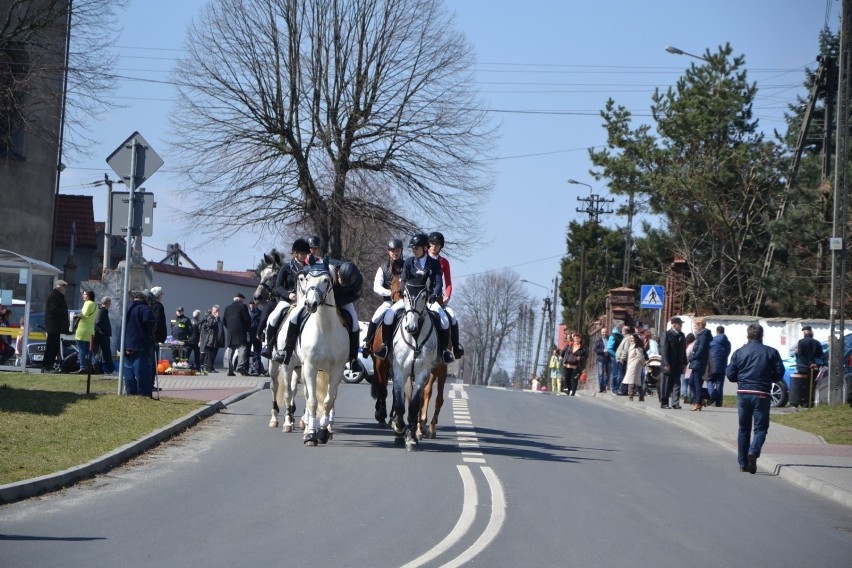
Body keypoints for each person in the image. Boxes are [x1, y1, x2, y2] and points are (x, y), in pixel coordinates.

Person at [374, 233, 453, 364]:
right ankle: (386, 346)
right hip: (410, 300)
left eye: (416, 248)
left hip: (429, 299)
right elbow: (403, 280)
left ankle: (444, 351)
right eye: (412, 249)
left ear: (424, 248)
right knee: (388, 316)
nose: (414, 251)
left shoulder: (434, 263)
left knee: (445, 320)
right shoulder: (409, 262)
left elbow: (439, 283)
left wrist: (434, 295)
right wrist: (405, 294)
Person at [274, 259, 363, 365]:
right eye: (340, 279)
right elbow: (306, 273)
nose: (341, 283)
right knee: (294, 316)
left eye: (345, 283)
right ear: (338, 272)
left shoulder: (358, 280)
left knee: (355, 325)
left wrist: (336, 302)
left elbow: (355, 295)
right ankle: (286, 352)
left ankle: (353, 359)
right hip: (317, 295)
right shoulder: (327, 267)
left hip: (342, 300)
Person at [726, 323, 784, 474]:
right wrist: (768, 378)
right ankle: (754, 450)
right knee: (761, 428)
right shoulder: (771, 352)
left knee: (743, 428)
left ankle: (743, 463)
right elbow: (779, 374)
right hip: (762, 394)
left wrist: (742, 377)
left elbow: (730, 374)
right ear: (761, 336)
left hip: (743, 393)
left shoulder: (739, 352)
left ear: (748, 335)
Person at [261, 238, 311, 359]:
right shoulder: (286, 267)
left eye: (305, 253)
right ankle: (269, 346)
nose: (304, 256)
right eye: (302, 253)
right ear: (295, 253)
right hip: (288, 301)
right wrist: (289, 295)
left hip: (305, 301)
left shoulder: (310, 267)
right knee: (273, 317)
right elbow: (278, 286)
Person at [361, 238, 404, 356]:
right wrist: (390, 292)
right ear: (388, 252)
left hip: (405, 302)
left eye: (397, 250)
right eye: (392, 250)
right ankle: (367, 343)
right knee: (375, 318)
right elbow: (376, 287)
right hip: (389, 302)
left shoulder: (408, 266)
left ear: (401, 251)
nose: (395, 253)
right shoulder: (383, 268)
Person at [426, 231, 464, 358]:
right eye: (432, 243)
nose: (434, 246)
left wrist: (447, 296)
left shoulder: (444, 262)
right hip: (420, 296)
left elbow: (448, 282)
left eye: (437, 244)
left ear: (441, 246)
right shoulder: (421, 258)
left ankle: (452, 348)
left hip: (437, 298)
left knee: (452, 317)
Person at [123, 290, 156, 396]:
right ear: (146, 299)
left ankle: (131, 392)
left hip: (125, 344)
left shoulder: (127, 307)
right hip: (139, 344)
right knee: (141, 371)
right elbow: (149, 323)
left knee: (128, 370)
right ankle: (144, 394)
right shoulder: (144, 308)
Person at [659, 316, 686, 409]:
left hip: (678, 364)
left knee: (677, 383)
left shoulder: (681, 335)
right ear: (674, 325)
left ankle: (675, 403)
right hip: (668, 364)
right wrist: (666, 363)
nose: (681, 326)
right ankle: (664, 402)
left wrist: (684, 363)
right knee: (666, 384)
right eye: (680, 324)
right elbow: (664, 350)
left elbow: (683, 351)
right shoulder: (666, 334)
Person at [43, 280, 69, 373]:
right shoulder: (53, 295)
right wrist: (64, 311)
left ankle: (49, 365)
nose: (65, 289)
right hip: (53, 326)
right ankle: (47, 366)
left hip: (57, 327)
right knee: (51, 347)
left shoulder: (58, 296)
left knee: (55, 347)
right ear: (59, 287)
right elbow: (54, 309)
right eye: (64, 287)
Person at [794, 325, 824, 408]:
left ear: (804, 333)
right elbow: (820, 355)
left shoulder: (801, 342)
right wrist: (815, 364)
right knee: (812, 385)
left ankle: (804, 402)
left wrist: (809, 363)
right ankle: (812, 401)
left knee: (804, 386)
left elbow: (801, 355)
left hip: (804, 367)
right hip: (814, 368)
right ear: (811, 333)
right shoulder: (817, 343)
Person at [223, 293, 251, 376]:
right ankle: (240, 366)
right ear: (241, 299)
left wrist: (230, 328)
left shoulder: (227, 308)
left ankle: (229, 369)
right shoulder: (243, 306)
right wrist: (247, 329)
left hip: (230, 333)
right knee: (242, 349)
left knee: (230, 351)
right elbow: (247, 319)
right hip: (241, 332)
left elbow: (224, 320)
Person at [688, 317, 713, 411]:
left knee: (697, 383)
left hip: (699, 362)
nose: (694, 327)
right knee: (691, 383)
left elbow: (701, 350)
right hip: (696, 362)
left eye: (695, 325)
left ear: (700, 325)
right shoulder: (700, 335)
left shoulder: (703, 336)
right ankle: (700, 399)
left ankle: (698, 402)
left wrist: (692, 357)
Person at [74, 290, 97, 374]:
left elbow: (83, 315)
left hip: (83, 327)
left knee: (81, 348)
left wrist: (76, 315)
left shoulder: (87, 303)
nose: (83, 296)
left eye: (84, 294)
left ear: (89, 296)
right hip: (91, 328)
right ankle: (95, 363)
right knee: (89, 349)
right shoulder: (95, 305)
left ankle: (82, 366)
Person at [708, 325, 731, 407]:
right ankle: (719, 402)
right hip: (723, 365)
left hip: (713, 364)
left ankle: (713, 393)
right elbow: (727, 353)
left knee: (709, 380)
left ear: (717, 331)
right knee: (720, 383)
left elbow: (708, 351)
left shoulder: (712, 340)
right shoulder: (728, 342)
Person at [621, 332, 647, 401]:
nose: (631, 340)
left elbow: (640, 356)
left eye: (632, 338)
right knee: (637, 381)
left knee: (631, 380)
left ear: (636, 339)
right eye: (630, 338)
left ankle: (630, 396)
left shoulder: (637, 347)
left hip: (635, 365)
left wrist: (644, 364)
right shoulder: (631, 345)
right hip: (631, 364)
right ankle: (641, 397)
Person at [93, 296, 115, 374]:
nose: (110, 304)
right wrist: (104, 330)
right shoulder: (102, 311)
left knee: (104, 353)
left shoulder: (103, 311)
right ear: (106, 303)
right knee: (106, 352)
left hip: (101, 334)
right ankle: (110, 369)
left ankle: (107, 369)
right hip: (102, 335)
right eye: (109, 303)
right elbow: (98, 322)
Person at [201, 305, 224, 372]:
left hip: (216, 339)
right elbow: (210, 325)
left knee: (214, 354)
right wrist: (216, 319)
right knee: (211, 355)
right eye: (216, 310)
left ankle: (211, 367)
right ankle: (209, 368)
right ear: (212, 311)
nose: (217, 312)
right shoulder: (210, 317)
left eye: (218, 310)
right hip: (211, 339)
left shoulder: (217, 318)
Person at [614, 324, 633, 395]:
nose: (622, 332)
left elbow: (625, 350)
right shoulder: (625, 338)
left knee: (623, 375)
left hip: (623, 360)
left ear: (625, 331)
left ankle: (623, 390)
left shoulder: (627, 339)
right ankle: (622, 389)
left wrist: (622, 358)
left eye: (622, 330)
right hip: (622, 360)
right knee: (622, 374)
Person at [247, 300, 264, 375]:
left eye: (253, 304)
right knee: (247, 353)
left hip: (257, 335)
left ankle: (257, 370)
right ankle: (247, 370)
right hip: (249, 335)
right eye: (251, 304)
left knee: (257, 353)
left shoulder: (260, 313)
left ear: (256, 305)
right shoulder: (247, 313)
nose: (252, 306)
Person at [606, 325, 624, 394]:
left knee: (620, 373)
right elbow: (609, 349)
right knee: (616, 373)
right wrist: (616, 355)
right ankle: (614, 389)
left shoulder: (621, 336)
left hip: (620, 357)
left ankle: (617, 388)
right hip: (614, 357)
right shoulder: (612, 336)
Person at [683, 333, 696, 405]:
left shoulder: (687, 346)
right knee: (690, 383)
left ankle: (685, 395)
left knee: (685, 382)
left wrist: (683, 364)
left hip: (687, 366)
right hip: (692, 366)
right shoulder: (695, 345)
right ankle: (689, 397)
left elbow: (686, 356)